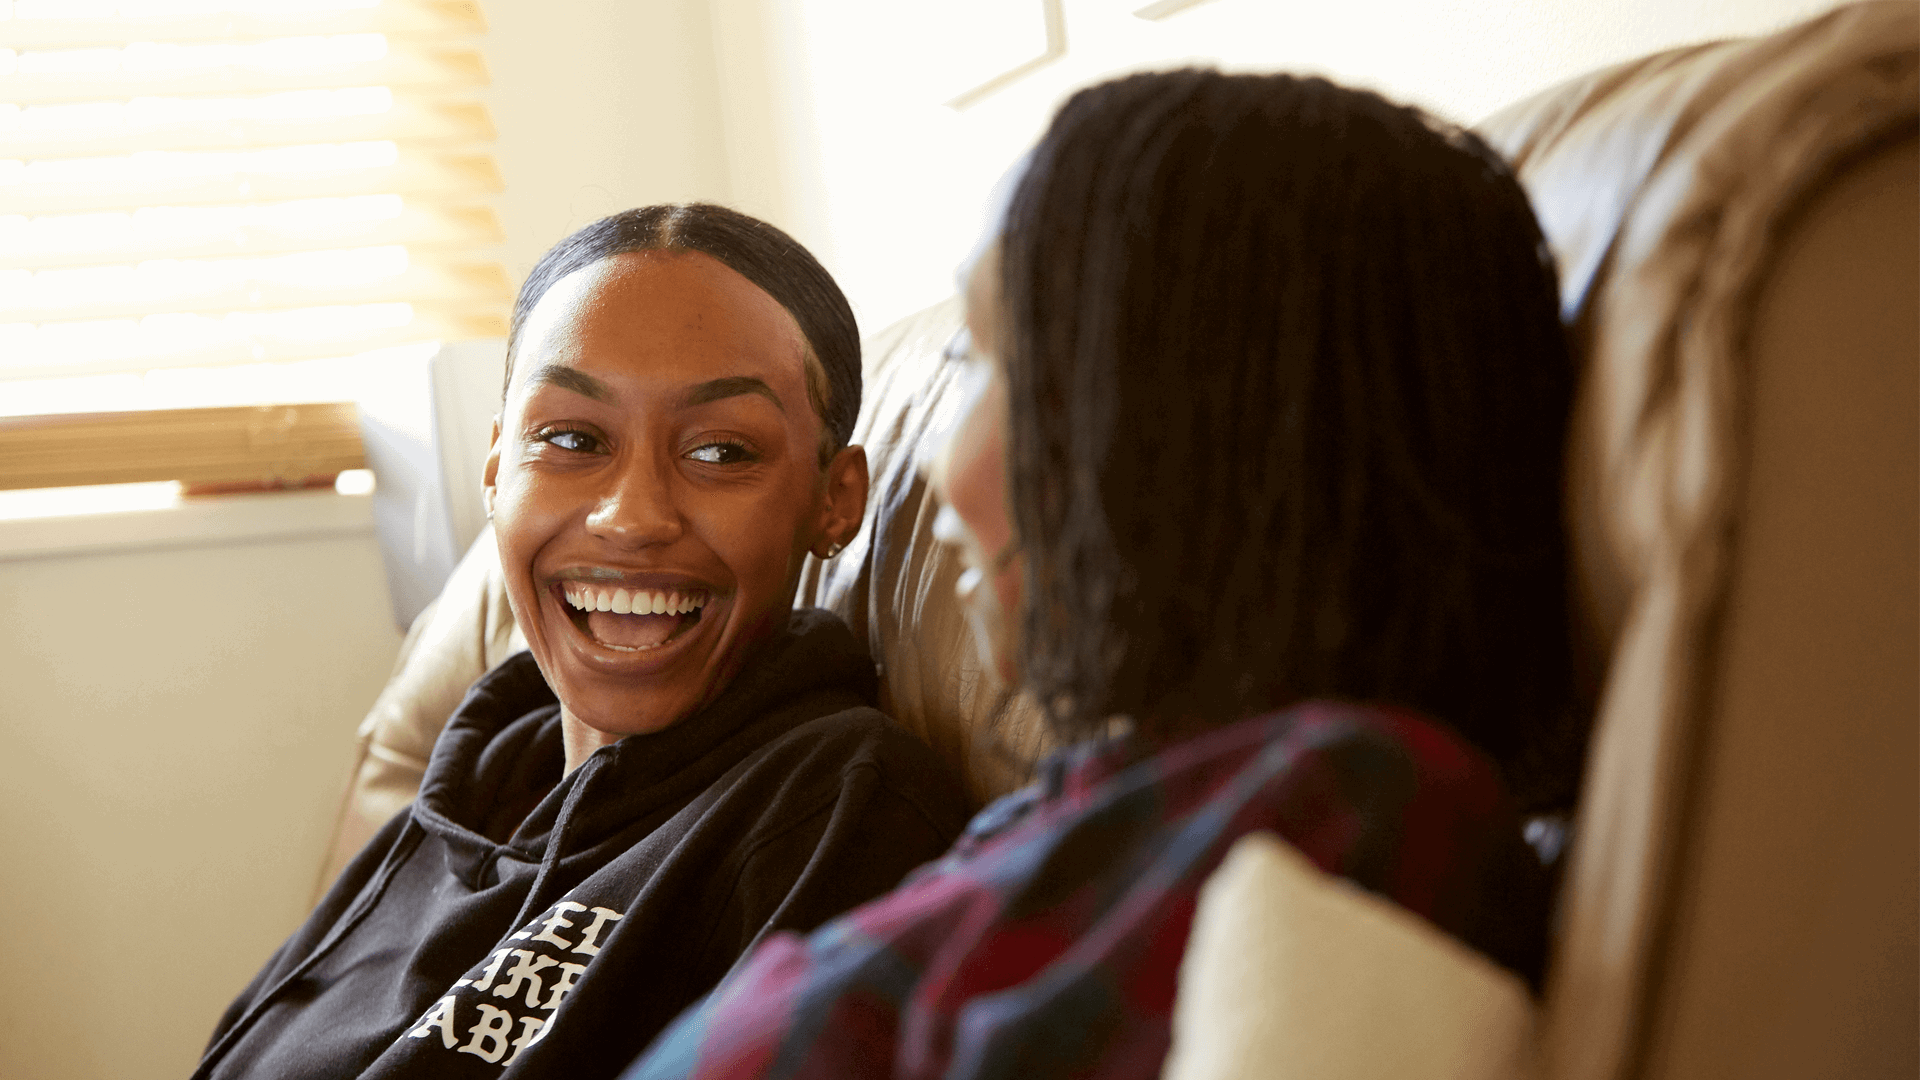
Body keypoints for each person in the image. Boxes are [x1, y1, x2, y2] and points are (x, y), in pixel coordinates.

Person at [620, 69, 1584, 1080]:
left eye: (985, 366)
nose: (941, 463)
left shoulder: (1353, 816)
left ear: (1181, 429)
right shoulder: (1091, 810)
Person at [193, 205, 971, 1080]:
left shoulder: (843, 814)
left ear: (836, 499)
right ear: (498, 471)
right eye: (570, 439)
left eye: (719, 451)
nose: (632, 517)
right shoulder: (459, 797)